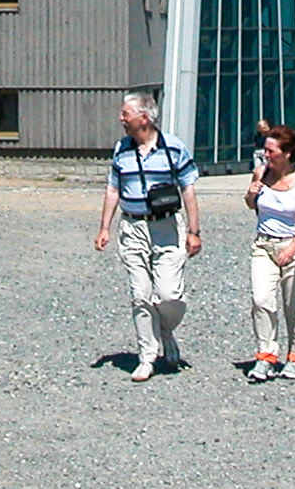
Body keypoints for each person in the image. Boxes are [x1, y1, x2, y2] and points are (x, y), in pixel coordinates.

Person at [93, 92, 202, 382]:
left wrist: (194, 232)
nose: (120, 118)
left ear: (143, 118)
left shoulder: (173, 147)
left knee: (168, 295)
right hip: (133, 227)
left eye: (125, 113)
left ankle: (165, 329)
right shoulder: (122, 149)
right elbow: (113, 189)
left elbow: (188, 189)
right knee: (140, 295)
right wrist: (104, 227)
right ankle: (147, 357)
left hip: (166, 227)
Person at [242, 124, 295, 382]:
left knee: (294, 305)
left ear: (287, 153)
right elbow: (251, 205)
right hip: (264, 245)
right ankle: (266, 356)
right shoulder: (261, 173)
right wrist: (251, 195)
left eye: (271, 151)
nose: (266, 155)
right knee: (261, 300)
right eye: (265, 150)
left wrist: (293, 247)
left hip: (294, 246)